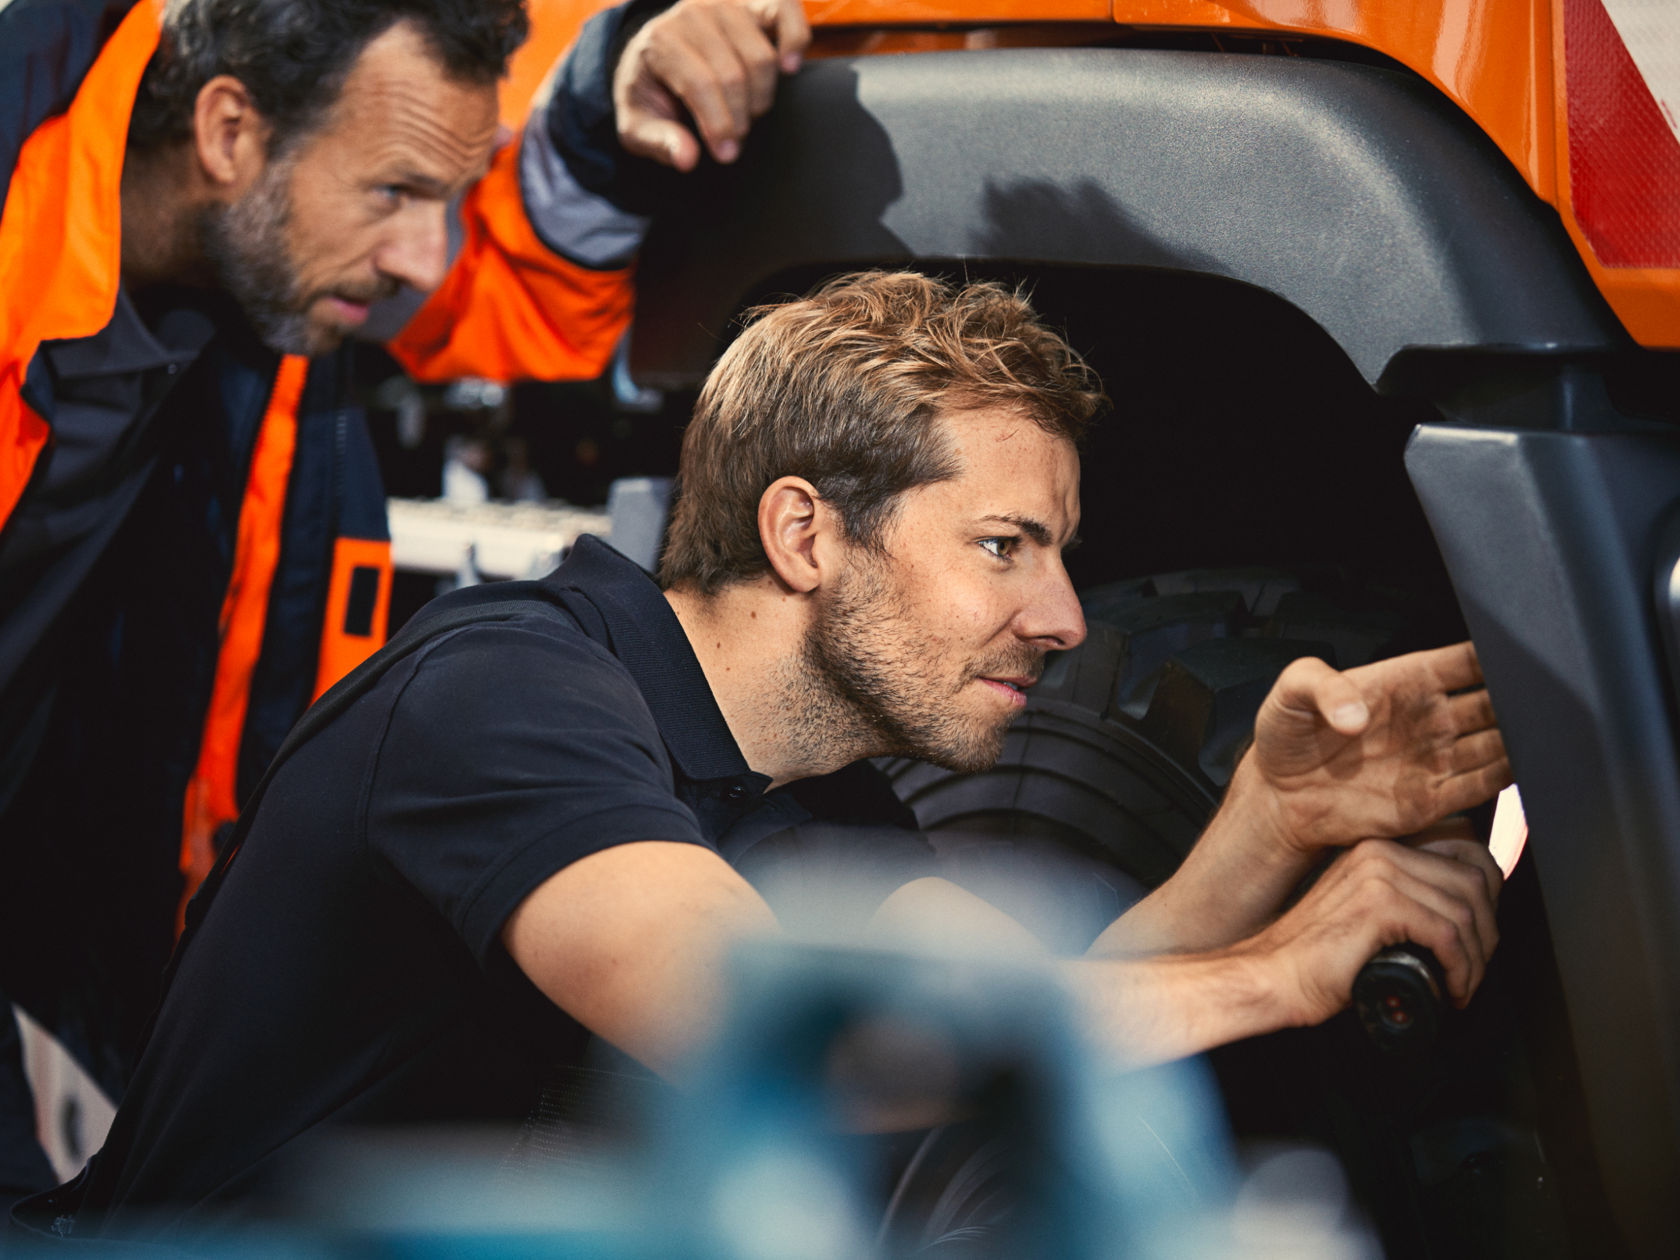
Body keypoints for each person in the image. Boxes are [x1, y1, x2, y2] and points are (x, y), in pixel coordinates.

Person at [9, 270, 1510, 1245]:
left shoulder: (804, 795)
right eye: (1005, 548)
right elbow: (764, 1032)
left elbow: (1014, 1029)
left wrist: (1261, 827)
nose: (1061, 616)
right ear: (804, 533)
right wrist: (1288, 969)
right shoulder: (508, 695)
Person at [0, 0, 809, 1200]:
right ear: (228, 129)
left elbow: (501, 296)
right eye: (394, 192)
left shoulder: (264, 243)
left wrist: (603, 106)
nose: (423, 256)